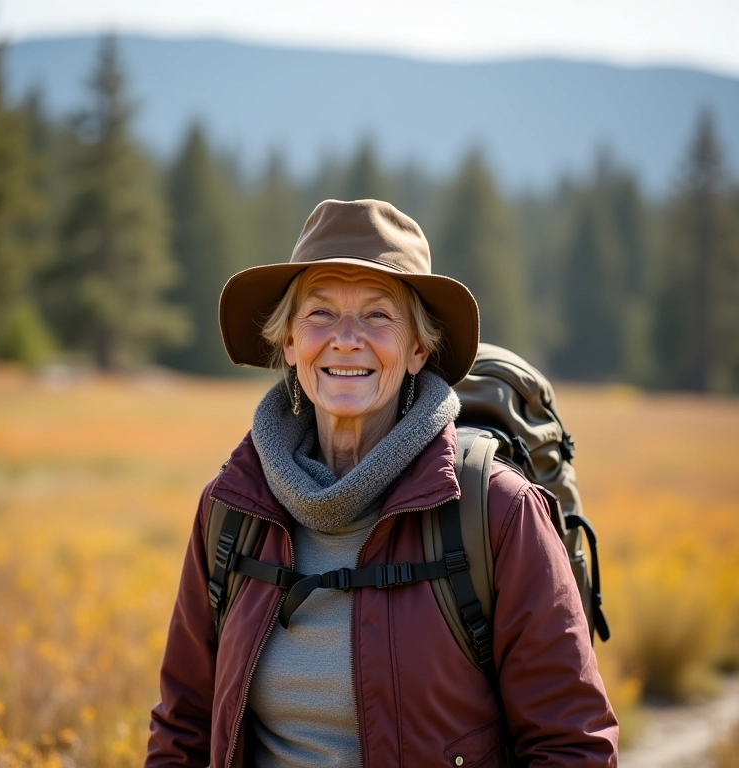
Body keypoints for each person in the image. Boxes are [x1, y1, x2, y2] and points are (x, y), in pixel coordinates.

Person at [146, 199, 619, 767]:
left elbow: (571, 744)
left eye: (377, 315)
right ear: (290, 343)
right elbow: (183, 730)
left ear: (419, 348)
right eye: (319, 313)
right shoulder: (232, 510)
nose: (346, 339)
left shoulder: (497, 511)